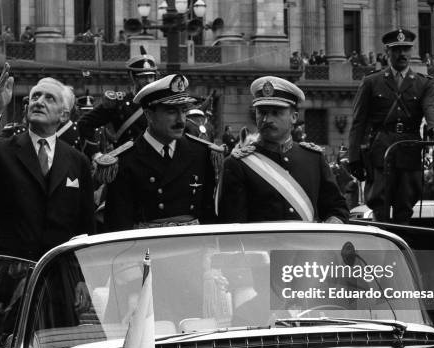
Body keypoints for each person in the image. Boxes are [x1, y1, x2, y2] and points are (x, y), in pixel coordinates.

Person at [0, 63, 95, 262]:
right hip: (9, 273)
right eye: (35, 96)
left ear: (64, 114)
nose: (39, 102)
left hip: (58, 274)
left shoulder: (78, 161)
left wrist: (83, 275)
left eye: (49, 98)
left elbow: (85, 226)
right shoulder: (2, 149)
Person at [218, 76, 348, 223]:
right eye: (262, 112)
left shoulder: (313, 158)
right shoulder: (238, 164)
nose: (267, 119)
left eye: (276, 112)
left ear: (294, 117)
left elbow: (337, 208)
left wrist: (334, 221)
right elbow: (233, 225)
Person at [347, 29, 434, 224]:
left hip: (410, 149)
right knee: (379, 204)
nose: (403, 54)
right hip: (381, 149)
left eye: (406, 49)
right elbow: (359, 121)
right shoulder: (372, 82)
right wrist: (354, 156)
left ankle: (400, 248)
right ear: (387, 52)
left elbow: (430, 109)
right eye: (397, 49)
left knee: (405, 205)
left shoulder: (424, 84)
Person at [103, 74, 218, 231]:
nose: (181, 120)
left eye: (183, 111)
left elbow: (210, 215)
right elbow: (117, 225)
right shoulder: (125, 160)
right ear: (149, 115)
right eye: (171, 112)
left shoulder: (201, 152)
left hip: (193, 248)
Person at [80, 47, 159, 182]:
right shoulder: (118, 103)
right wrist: (96, 154)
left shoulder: (161, 103)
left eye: (151, 76)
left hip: (157, 166)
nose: (148, 81)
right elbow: (84, 124)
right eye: (143, 77)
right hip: (126, 169)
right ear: (132, 77)